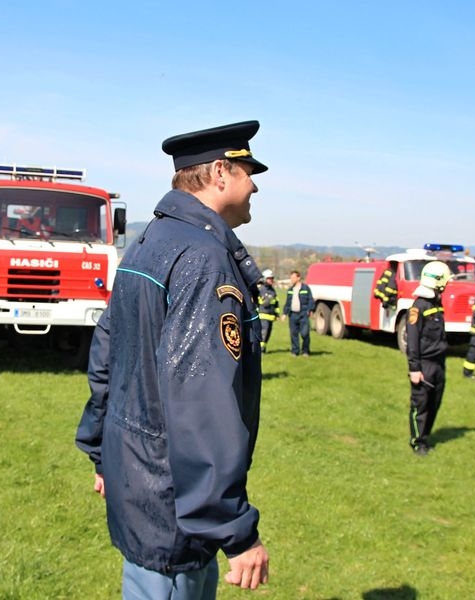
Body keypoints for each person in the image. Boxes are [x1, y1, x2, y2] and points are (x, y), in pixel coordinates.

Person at [75, 121, 270, 597]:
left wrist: (103, 454)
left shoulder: (149, 241)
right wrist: (234, 530)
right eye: (248, 171)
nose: (256, 184)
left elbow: (106, 355)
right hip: (172, 502)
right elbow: (202, 403)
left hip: (139, 480)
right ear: (221, 173)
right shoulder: (202, 258)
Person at [406, 261, 451, 455]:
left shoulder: (436, 304)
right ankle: (418, 442)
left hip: (439, 363)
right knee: (421, 404)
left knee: (434, 403)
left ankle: (426, 436)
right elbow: (413, 342)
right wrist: (414, 368)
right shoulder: (418, 307)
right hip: (424, 365)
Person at [283, 270, 314, 356]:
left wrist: (310, 310)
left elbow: (311, 300)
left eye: (293, 277)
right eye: (291, 278)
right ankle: (295, 351)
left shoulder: (305, 288)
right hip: (293, 315)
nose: (291, 279)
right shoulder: (290, 290)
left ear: (298, 277)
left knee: (305, 333)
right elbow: (287, 303)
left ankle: (305, 351)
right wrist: (284, 314)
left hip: (303, 314)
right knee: (293, 334)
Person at [256, 269, 281, 352]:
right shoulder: (261, 289)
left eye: (272, 278)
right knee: (264, 333)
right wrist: (266, 301)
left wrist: (277, 314)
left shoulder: (272, 290)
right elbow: (258, 302)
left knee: (268, 334)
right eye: (269, 278)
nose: (271, 280)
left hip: (271, 316)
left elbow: (276, 302)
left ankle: (263, 348)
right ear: (264, 279)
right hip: (263, 315)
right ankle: (260, 349)